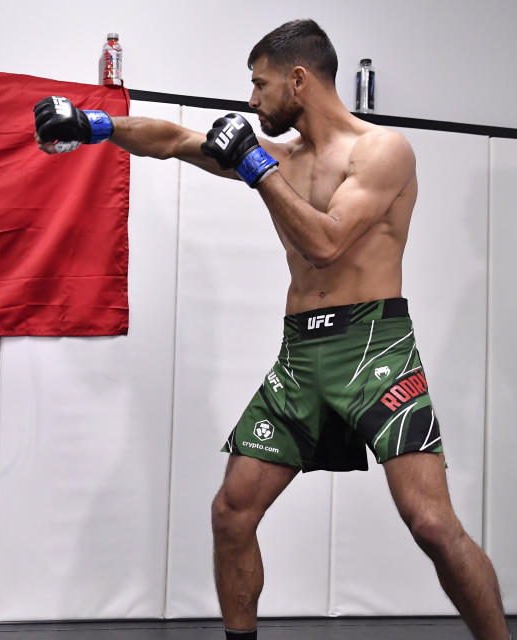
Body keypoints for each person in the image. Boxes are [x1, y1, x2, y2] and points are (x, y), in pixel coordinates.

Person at [33, 19, 510, 640]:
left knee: (431, 525)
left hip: (374, 350)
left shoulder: (381, 151)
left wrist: (256, 166)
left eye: (260, 85)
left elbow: (328, 244)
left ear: (299, 79)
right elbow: (176, 138)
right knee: (232, 513)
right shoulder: (285, 158)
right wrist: (92, 125)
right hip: (301, 355)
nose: (252, 101)